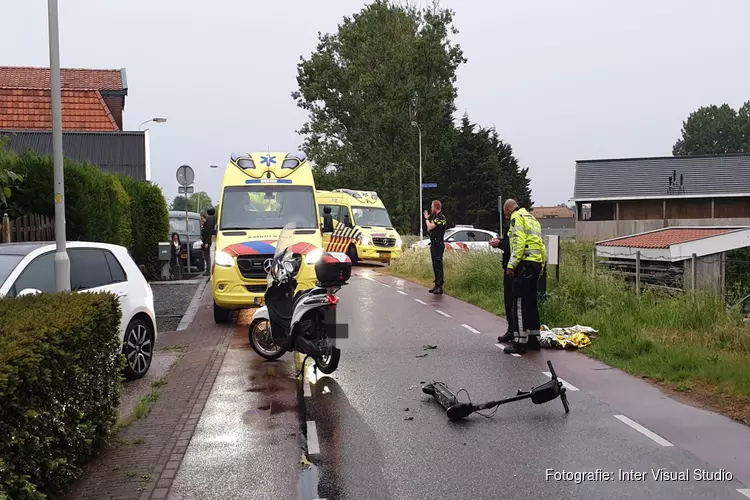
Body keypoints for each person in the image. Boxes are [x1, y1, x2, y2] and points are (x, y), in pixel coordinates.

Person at [503, 199, 547, 355]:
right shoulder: (532, 218)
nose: (507, 217)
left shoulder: (517, 217)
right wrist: (542, 264)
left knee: (519, 303)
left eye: (506, 214)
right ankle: (534, 340)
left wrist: (511, 264)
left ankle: (520, 343)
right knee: (532, 302)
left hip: (525, 264)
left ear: (509, 209)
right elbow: (541, 244)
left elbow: (518, 242)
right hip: (535, 263)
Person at [490, 217, 515, 343]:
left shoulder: (515, 224)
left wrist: (499, 244)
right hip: (524, 267)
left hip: (513, 269)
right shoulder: (526, 222)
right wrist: (500, 241)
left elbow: (512, 246)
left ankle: (513, 332)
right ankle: (516, 332)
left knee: (511, 301)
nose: (505, 216)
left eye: (506, 213)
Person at [424, 200, 447, 294]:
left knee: (438, 266)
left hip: (438, 245)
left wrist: (426, 219)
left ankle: (440, 286)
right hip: (434, 244)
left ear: (436, 207)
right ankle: (436, 284)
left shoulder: (441, 218)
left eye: (432, 207)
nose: (431, 208)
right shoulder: (436, 217)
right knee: (434, 265)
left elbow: (430, 227)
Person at [201, 207, 217, 276]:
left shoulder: (209, 219)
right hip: (208, 239)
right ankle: (209, 269)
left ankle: (208, 270)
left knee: (207, 255)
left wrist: (206, 242)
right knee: (207, 255)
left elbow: (207, 231)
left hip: (207, 240)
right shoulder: (214, 218)